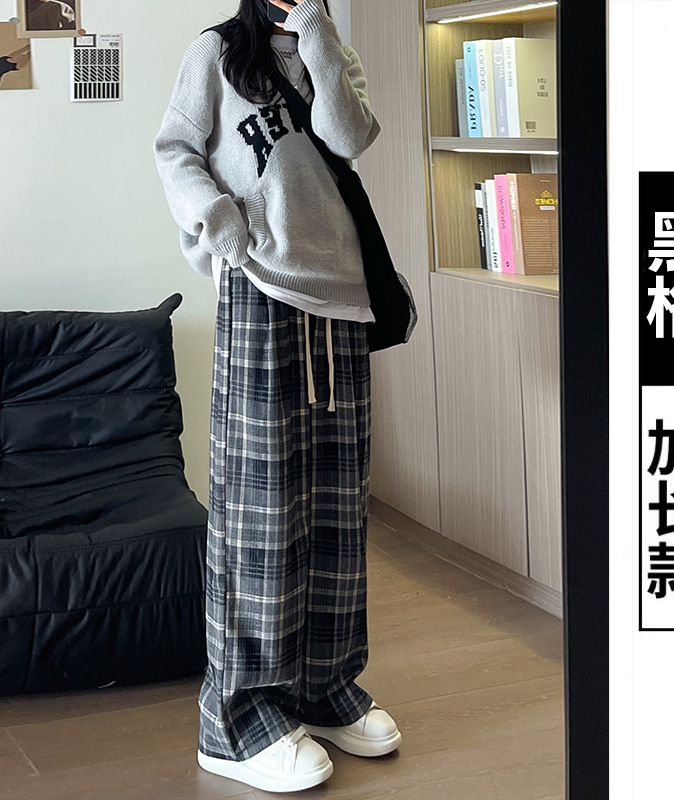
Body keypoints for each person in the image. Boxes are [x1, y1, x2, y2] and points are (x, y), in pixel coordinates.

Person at [153, 0, 399, 793]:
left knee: (336, 503)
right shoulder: (217, 52)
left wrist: (317, 33)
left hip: (342, 295)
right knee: (260, 509)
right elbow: (175, 149)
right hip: (262, 287)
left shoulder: (329, 46)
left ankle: (324, 686)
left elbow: (349, 138)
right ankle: (239, 716)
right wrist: (221, 226)